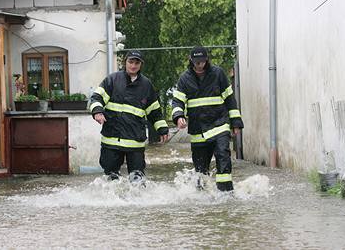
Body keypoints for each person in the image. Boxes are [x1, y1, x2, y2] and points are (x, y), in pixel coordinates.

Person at [90, 50, 169, 183]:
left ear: (141, 65)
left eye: (137, 63)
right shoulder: (112, 80)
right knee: (111, 179)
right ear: (125, 62)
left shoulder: (146, 85)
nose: (133, 65)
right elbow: (96, 97)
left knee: (138, 179)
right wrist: (98, 111)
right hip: (112, 140)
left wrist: (162, 129)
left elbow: (154, 111)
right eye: (130, 62)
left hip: (135, 142)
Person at [171, 46, 244, 191]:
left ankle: (226, 192)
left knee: (223, 156)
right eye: (196, 62)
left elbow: (230, 99)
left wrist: (235, 122)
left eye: (202, 61)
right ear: (191, 61)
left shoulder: (218, 74)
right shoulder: (184, 79)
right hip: (198, 130)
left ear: (207, 60)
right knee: (200, 169)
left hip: (219, 124)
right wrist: (179, 116)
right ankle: (202, 198)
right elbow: (177, 101)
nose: (199, 65)